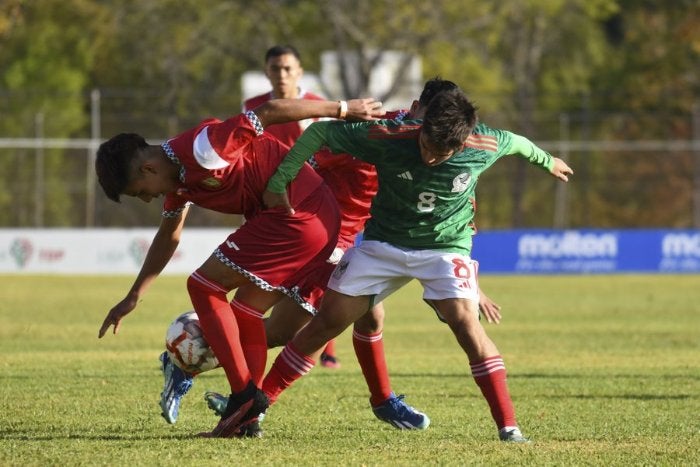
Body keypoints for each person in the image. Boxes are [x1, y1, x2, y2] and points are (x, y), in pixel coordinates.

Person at [252, 82, 574, 442]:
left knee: (466, 324)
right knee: (325, 325)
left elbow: (520, 144)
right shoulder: (392, 135)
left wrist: (549, 161)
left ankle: (509, 428)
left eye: (440, 154)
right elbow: (323, 131)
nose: (429, 157)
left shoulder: (486, 144)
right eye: (425, 146)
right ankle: (253, 410)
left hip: (444, 248)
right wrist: (280, 181)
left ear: (463, 141)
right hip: (383, 245)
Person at [203, 79, 506, 433]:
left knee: (366, 318)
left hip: (359, 240)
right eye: (429, 118)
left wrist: (471, 285)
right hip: (326, 234)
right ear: (416, 108)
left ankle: (378, 400)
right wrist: (285, 198)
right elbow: (316, 152)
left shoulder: (445, 146)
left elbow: (455, 215)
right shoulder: (379, 131)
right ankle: (223, 378)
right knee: (292, 329)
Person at [95, 96, 384, 438]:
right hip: (304, 218)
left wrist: (342, 109)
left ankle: (244, 398)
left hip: (300, 215)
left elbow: (269, 111)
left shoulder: (205, 148)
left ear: (147, 169)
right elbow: (168, 235)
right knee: (245, 311)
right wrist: (134, 296)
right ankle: (245, 421)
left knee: (203, 285)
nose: (145, 198)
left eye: (138, 191)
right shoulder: (179, 178)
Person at [244, 44, 340, 369]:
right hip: (269, 198)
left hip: (310, 200)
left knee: (321, 270)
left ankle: (326, 348)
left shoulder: (316, 106)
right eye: (275, 68)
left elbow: (327, 154)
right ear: (266, 72)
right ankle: (247, 335)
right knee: (269, 275)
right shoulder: (254, 107)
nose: (282, 74)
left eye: (288, 68)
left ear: (299, 71)